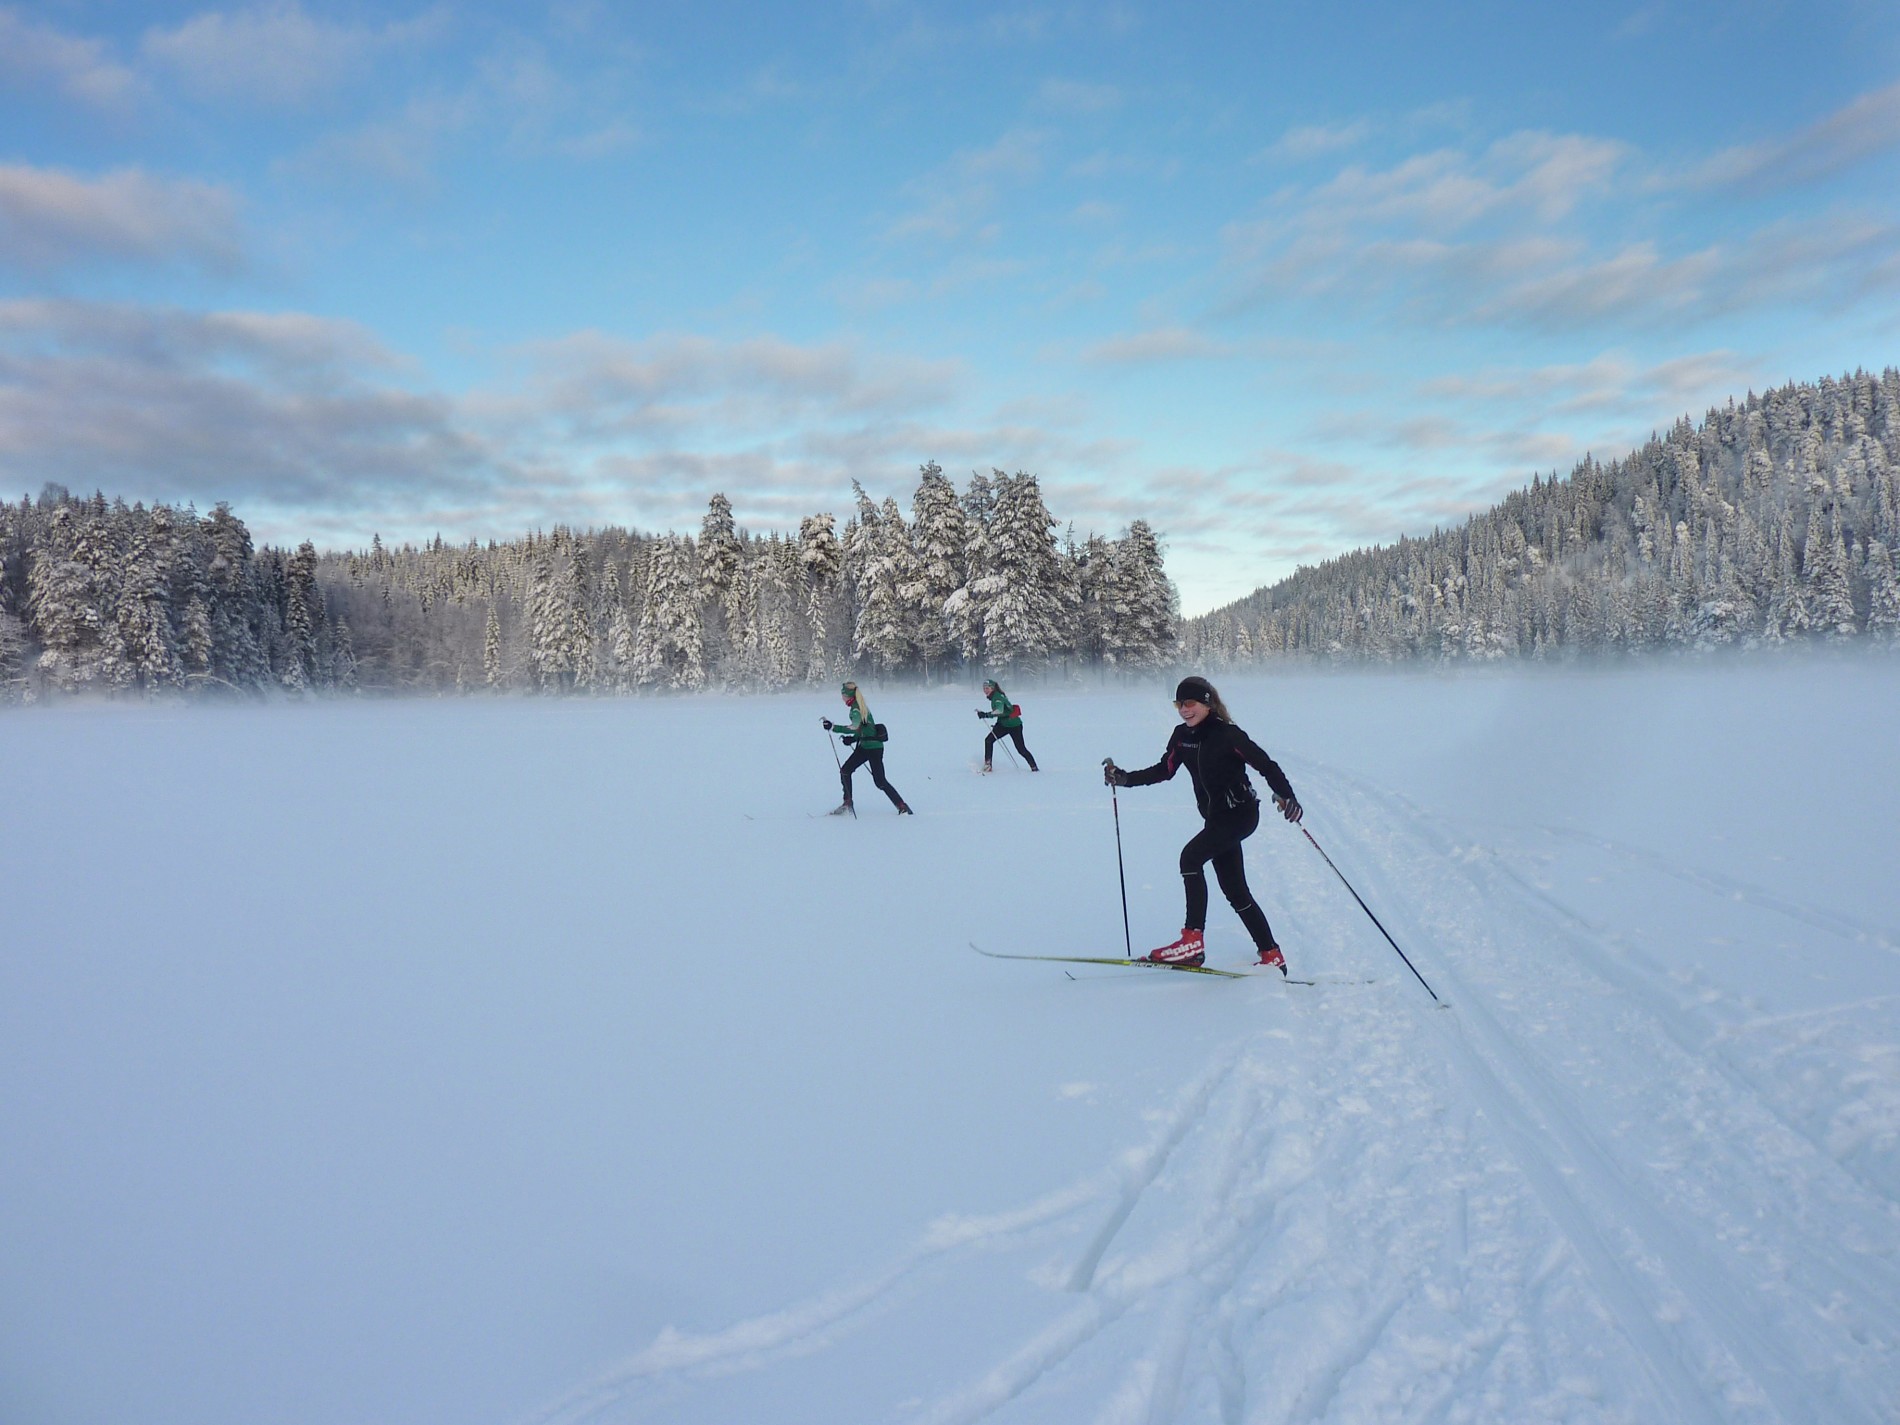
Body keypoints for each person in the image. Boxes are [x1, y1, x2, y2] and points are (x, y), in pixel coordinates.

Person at [1102, 675, 1302, 973]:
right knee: (1235, 891)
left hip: (1240, 815)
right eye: (1179, 704)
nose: (1184, 710)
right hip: (1216, 819)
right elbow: (1164, 770)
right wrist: (1126, 778)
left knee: (1190, 857)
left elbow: (1266, 765)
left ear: (1207, 704)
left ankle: (1192, 940)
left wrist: (1287, 795)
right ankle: (1271, 953)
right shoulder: (1182, 736)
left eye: (1191, 703)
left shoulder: (1227, 734)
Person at [823, 680, 912, 815]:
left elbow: (854, 726)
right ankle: (848, 803)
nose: (842, 698)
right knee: (845, 771)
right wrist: (852, 739)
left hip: (873, 748)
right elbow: (863, 729)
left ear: (849, 696)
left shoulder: (856, 709)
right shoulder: (859, 706)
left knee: (880, 782)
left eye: (843, 695)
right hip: (866, 746)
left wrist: (833, 727)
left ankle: (902, 806)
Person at [975, 678, 1039, 772]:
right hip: (1003, 724)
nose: (985, 690)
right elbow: (1004, 711)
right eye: (984, 688)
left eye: (987, 688)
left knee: (1021, 749)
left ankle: (1034, 767)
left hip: (1014, 725)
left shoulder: (997, 698)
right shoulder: (996, 696)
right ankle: (988, 765)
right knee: (989, 740)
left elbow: (999, 711)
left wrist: (985, 714)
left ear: (992, 688)